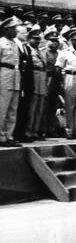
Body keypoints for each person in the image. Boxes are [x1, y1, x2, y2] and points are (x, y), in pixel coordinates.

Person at [0, 16, 23, 147]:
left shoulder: (15, 44)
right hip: (4, 76)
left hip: (15, 76)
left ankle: (9, 136)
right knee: (2, 109)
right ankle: (1, 137)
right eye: (13, 29)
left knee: (12, 110)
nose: (16, 32)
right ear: (6, 29)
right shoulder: (1, 43)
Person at [25, 26, 47, 141]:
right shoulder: (27, 49)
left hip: (42, 77)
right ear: (29, 38)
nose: (37, 41)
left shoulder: (40, 50)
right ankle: (28, 132)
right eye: (35, 39)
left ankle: (35, 131)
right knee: (32, 107)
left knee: (40, 107)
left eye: (38, 39)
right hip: (34, 75)